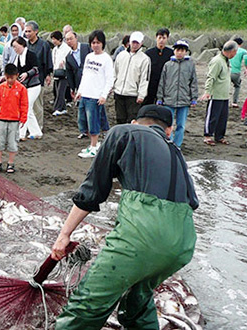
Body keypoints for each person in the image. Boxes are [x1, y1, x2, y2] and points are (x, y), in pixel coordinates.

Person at [51, 104, 198, 330]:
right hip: (182, 244)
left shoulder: (123, 132)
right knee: (137, 304)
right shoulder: (176, 153)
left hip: (141, 238)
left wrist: (64, 235)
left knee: (86, 307)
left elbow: (92, 192)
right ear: (169, 130)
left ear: (134, 123)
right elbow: (192, 203)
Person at [75, 30, 113, 158]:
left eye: (98, 42)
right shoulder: (89, 57)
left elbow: (109, 79)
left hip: (95, 96)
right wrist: (80, 91)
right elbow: (85, 75)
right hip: (85, 93)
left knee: (94, 121)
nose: (95, 45)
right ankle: (93, 144)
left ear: (102, 43)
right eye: (93, 43)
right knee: (83, 120)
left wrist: (104, 95)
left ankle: (94, 145)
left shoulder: (106, 59)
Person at [156, 40, 198, 148]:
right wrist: (160, 97)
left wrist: (194, 98)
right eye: (178, 50)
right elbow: (162, 82)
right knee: (167, 124)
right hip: (169, 99)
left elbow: (193, 82)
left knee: (181, 125)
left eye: (182, 50)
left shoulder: (190, 65)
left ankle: (177, 146)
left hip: (184, 100)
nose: (179, 52)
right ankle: (168, 143)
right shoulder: (168, 65)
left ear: (186, 52)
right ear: (174, 51)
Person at [0, 63, 28, 174]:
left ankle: (10, 163)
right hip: (1, 119)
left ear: (17, 75)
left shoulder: (22, 89)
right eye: (7, 78)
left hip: (14, 120)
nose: (10, 80)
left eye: (12, 78)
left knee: (13, 142)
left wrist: (23, 118)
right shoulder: (0, 88)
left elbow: (24, 104)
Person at [200, 40, 237, 146]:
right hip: (215, 95)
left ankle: (219, 136)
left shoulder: (226, 61)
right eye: (235, 52)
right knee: (212, 116)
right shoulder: (217, 61)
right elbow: (210, 77)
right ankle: (207, 135)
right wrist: (207, 91)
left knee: (223, 117)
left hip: (224, 95)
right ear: (232, 51)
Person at [5, 37, 42, 140]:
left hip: (34, 86)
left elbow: (36, 68)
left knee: (24, 108)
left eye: (15, 46)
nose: (14, 49)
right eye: (13, 47)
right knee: (28, 109)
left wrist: (27, 73)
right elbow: (14, 71)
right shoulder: (17, 58)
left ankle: (21, 134)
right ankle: (36, 132)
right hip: (25, 87)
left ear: (22, 45)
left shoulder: (31, 54)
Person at [113, 31, 150, 124]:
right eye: (133, 42)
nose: (135, 45)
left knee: (132, 120)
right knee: (120, 119)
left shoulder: (145, 59)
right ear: (129, 42)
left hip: (133, 95)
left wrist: (141, 95)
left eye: (137, 42)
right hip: (119, 92)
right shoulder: (121, 55)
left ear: (141, 43)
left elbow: (144, 78)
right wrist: (112, 86)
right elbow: (115, 72)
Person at [25, 21, 52, 129]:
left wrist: (48, 75)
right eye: (26, 31)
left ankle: (38, 126)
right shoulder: (25, 44)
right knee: (27, 104)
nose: (27, 33)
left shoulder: (44, 45)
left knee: (37, 104)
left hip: (38, 77)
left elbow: (48, 60)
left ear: (36, 31)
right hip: (26, 78)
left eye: (29, 31)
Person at [64, 31, 92, 121]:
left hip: (92, 81)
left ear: (76, 38)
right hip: (79, 83)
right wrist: (72, 88)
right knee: (82, 106)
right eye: (67, 40)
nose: (69, 41)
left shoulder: (86, 47)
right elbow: (69, 74)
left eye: (71, 39)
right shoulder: (68, 57)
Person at [144, 28, 173, 105]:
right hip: (150, 85)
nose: (161, 40)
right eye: (159, 38)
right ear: (156, 38)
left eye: (164, 38)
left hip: (165, 86)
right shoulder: (148, 53)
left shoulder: (171, 54)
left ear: (167, 39)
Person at [51, 31, 71, 116]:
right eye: (52, 39)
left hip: (64, 73)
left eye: (54, 39)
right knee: (56, 90)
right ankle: (63, 108)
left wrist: (63, 62)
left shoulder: (66, 48)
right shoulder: (55, 49)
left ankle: (58, 108)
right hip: (56, 72)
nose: (53, 41)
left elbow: (68, 58)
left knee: (60, 91)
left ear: (59, 39)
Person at [229, 37, 247, 108]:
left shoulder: (229, 49)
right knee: (237, 86)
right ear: (241, 44)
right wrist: (246, 68)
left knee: (225, 85)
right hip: (236, 72)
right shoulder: (243, 51)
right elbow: (246, 59)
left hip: (227, 71)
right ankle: (234, 102)